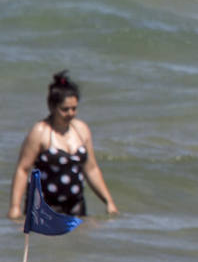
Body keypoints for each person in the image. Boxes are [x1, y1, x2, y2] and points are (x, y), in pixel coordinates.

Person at [9, 71, 117, 221]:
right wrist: (15, 207)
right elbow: (23, 169)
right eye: (65, 109)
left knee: (78, 242)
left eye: (74, 108)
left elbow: (91, 169)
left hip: (76, 205)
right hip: (44, 206)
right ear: (52, 107)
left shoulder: (81, 130)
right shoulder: (40, 131)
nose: (70, 113)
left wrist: (108, 201)